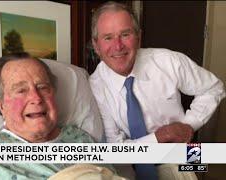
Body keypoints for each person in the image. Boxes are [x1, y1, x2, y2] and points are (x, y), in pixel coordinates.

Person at [89, 1, 226, 180]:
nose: (118, 46)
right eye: (108, 37)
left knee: (197, 174)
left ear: (138, 37)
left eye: (125, 34)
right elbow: (116, 148)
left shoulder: (168, 61)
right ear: (96, 45)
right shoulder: (94, 85)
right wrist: (162, 136)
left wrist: (189, 124)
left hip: (182, 149)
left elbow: (214, 87)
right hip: (133, 162)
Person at [0, 53, 119, 180]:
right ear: (1, 104)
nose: (36, 98)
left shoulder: (81, 139)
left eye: (43, 87)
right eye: (21, 90)